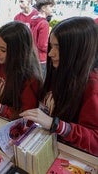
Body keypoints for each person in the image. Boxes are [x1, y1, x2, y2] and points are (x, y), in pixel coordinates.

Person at [20, 17, 98, 156]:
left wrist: (56, 124)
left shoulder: (92, 86)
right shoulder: (58, 71)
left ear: (79, 50)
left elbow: (94, 140)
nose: (50, 53)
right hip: (45, 145)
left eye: (58, 48)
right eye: (51, 46)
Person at [30, 0, 55, 78]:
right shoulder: (44, 23)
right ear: (44, 8)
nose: (53, 9)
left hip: (34, 55)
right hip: (42, 59)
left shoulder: (33, 20)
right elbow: (42, 45)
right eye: (51, 6)